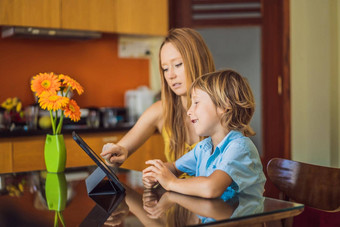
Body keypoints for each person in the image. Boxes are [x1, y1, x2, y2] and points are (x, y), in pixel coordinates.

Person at [142, 69, 266, 199]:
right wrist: (156, 174)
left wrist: (171, 182)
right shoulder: (204, 148)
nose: (189, 111)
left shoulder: (240, 148)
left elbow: (211, 188)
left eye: (196, 103)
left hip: (245, 219)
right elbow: (174, 167)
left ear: (224, 106)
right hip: (217, 217)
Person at [101, 28, 215, 166]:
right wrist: (116, 152)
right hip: (175, 188)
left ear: (198, 62)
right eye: (165, 68)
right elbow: (122, 148)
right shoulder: (161, 110)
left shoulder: (222, 108)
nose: (170, 75)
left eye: (178, 65)